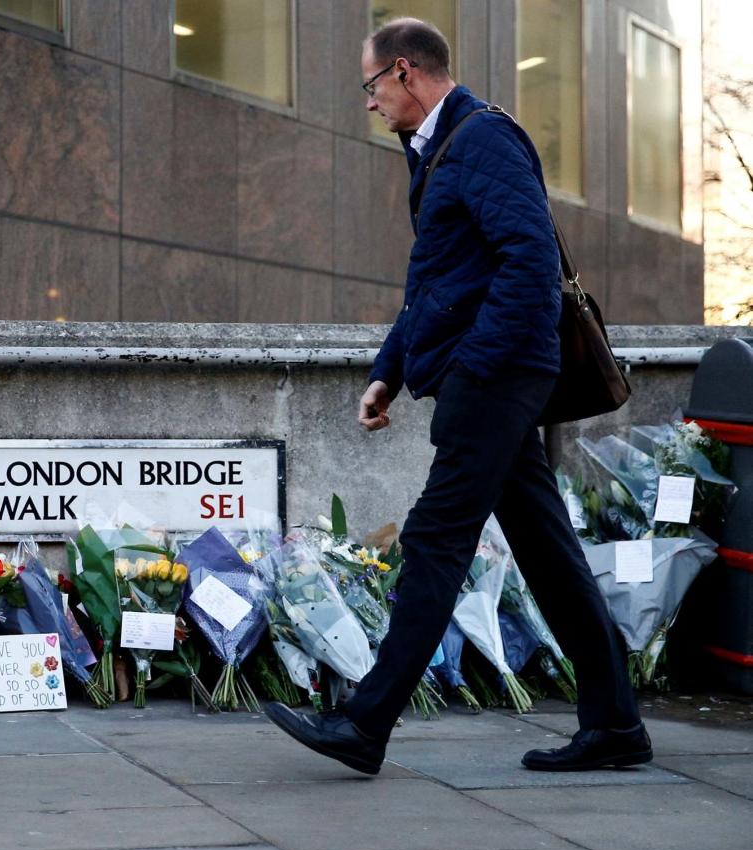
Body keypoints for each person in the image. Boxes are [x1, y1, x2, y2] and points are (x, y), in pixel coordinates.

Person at [265, 19, 650, 775]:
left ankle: (365, 723)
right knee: (546, 547)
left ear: (405, 72)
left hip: (498, 377)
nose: (370, 104)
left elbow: (529, 262)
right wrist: (391, 370)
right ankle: (615, 724)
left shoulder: (481, 140)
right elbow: (439, 282)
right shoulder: (440, 149)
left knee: (437, 538)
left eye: (371, 87)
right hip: (489, 374)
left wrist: (476, 364)